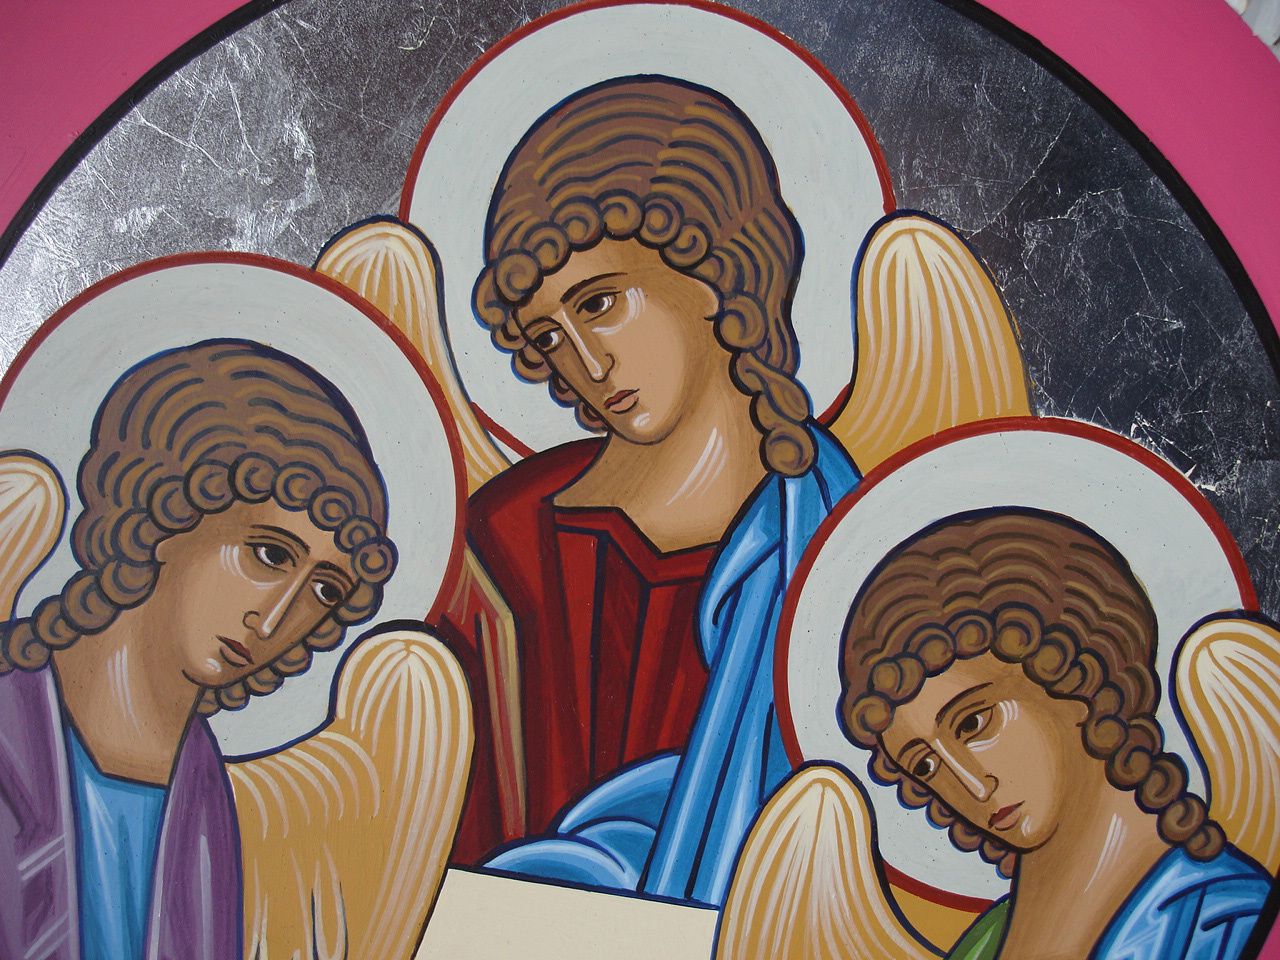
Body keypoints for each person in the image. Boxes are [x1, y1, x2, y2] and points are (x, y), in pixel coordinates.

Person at [444, 75, 859, 904]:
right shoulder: (502, 542)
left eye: (601, 302)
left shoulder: (832, 541)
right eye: (549, 337)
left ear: (710, 269)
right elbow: (443, 837)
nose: (587, 365)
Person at [0, 340, 397, 960]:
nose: (275, 618)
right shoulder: (11, 726)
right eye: (269, 554)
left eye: (324, 590)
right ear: (169, 510)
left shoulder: (202, 786)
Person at [838, 509, 1270, 959]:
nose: (972, 787)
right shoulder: (984, 941)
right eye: (925, 765)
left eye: (972, 724)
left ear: (1073, 671)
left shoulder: (1219, 924)